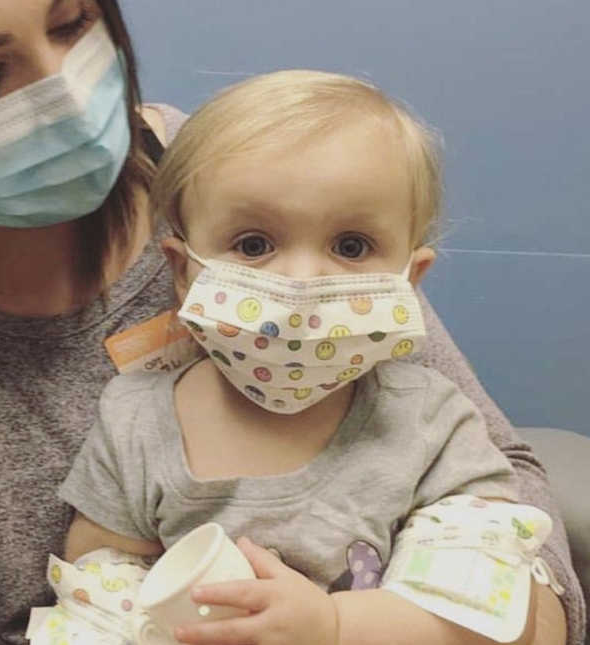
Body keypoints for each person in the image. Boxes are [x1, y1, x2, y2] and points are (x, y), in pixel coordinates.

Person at [0, 2, 582, 644]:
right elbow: (93, 586)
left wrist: (351, 624)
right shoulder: (133, 424)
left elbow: (513, 544)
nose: (67, 94)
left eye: (72, 25)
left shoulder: (265, 171)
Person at [56, 70, 564, 645]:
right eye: (254, 244)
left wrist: (334, 627)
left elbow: (498, 618)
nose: (301, 281)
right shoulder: (134, 425)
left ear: (409, 279)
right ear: (182, 271)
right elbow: (97, 589)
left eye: (351, 246)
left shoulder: (429, 424)